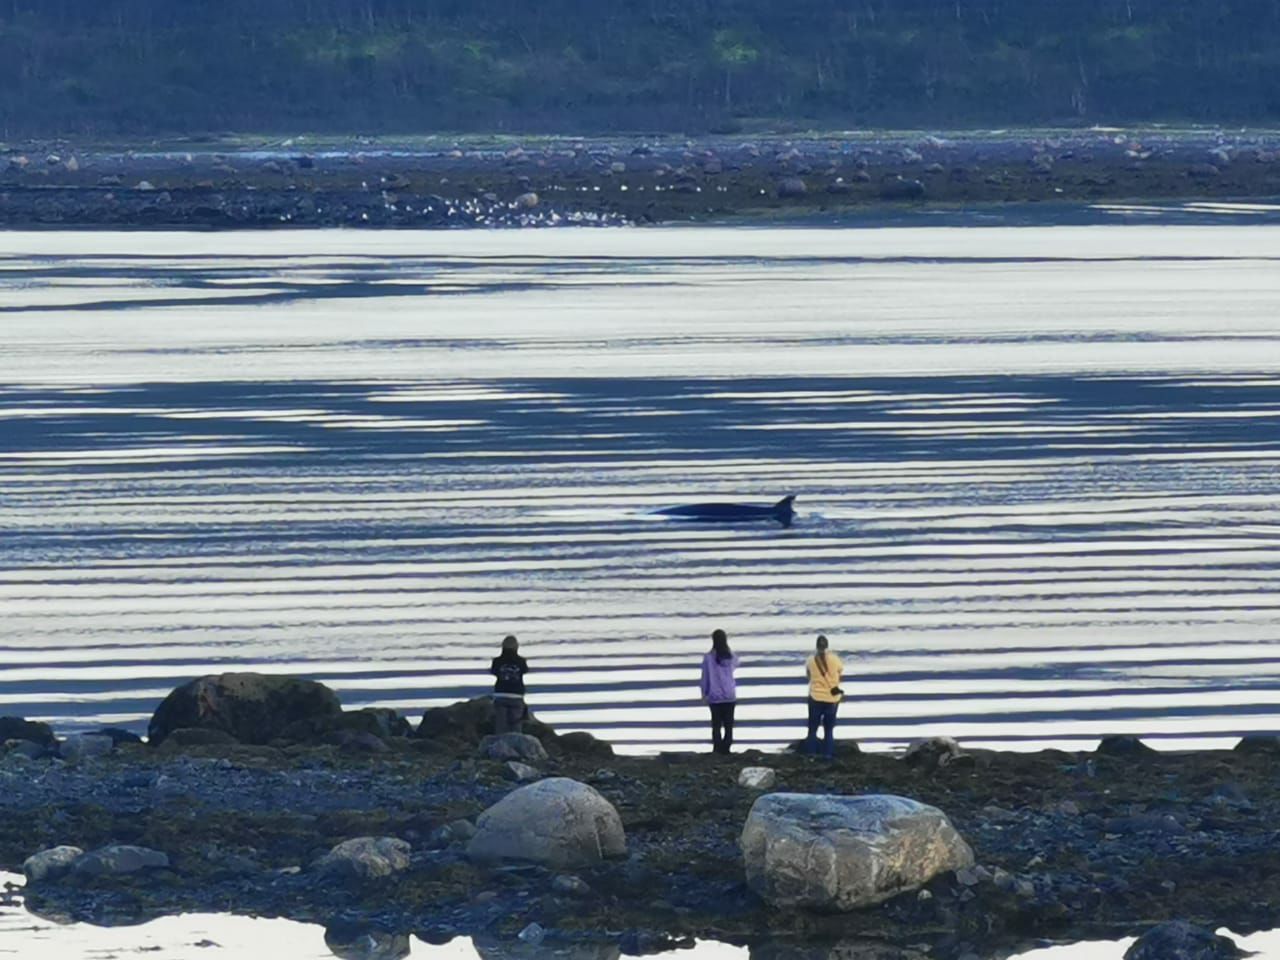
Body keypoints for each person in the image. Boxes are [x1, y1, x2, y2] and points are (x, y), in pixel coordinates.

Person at [699, 628, 740, 754]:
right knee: (728, 724)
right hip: (729, 695)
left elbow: (705, 677)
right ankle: (727, 747)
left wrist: (704, 693)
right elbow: (737, 664)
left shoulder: (708, 658)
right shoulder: (731, 656)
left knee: (716, 724)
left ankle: (717, 748)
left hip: (714, 695)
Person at [804, 634, 843, 758]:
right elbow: (840, 671)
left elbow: (808, 676)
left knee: (812, 730)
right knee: (829, 730)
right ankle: (828, 755)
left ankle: (811, 755)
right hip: (832, 699)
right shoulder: (835, 659)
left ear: (816, 646)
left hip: (815, 698)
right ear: (827, 646)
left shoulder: (810, 660)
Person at [490, 634, 529, 734]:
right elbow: (525, 670)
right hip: (517, 695)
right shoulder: (521, 661)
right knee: (516, 727)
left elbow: (494, 671)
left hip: (500, 694)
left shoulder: (497, 661)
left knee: (500, 727)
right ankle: (515, 747)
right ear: (517, 647)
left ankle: (500, 747)